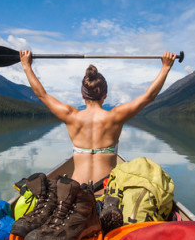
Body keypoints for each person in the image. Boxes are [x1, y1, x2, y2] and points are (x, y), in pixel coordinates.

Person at [20, 50, 177, 190]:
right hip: (107, 190)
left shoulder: (71, 116)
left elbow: (42, 95)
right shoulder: (115, 117)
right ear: (105, 96)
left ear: (82, 96)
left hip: (77, 192)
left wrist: (27, 66)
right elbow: (148, 96)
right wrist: (165, 67)